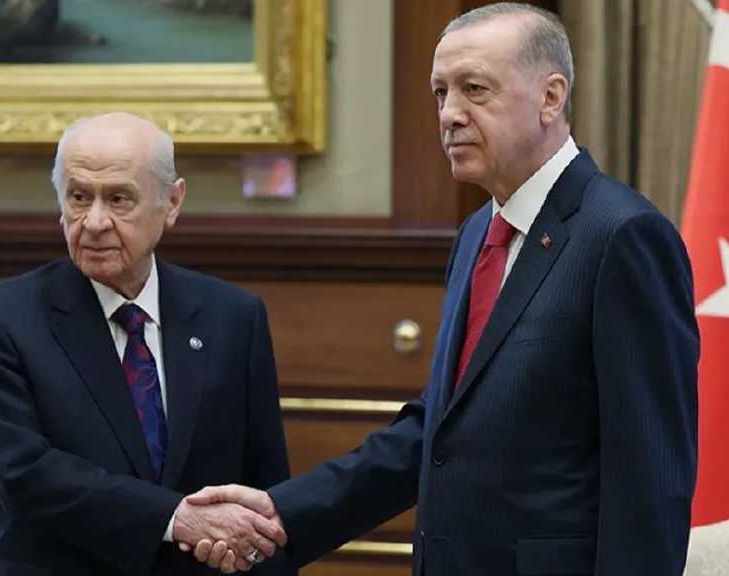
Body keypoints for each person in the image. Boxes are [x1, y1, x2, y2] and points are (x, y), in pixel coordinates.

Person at [183, 3, 700, 575]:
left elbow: (649, 483)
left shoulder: (623, 236)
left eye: (475, 90)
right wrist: (284, 513)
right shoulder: (478, 232)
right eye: (440, 93)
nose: (450, 114)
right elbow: (440, 430)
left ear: (551, 98)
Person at [0, 112, 295, 576]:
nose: (95, 222)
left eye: (119, 199)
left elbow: (265, 493)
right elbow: (26, 475)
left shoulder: (233, 317)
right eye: (79, 197)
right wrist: (175, 519)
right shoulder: (1, 319)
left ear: (171, 203)